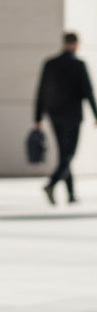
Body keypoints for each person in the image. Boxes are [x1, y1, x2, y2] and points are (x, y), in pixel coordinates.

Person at [34, 31, 97, 204]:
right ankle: (52, 183)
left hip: (55, 115)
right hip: (73, 116)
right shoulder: (78, 65)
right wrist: (96, 114)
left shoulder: (50, 64)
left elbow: (41, 92)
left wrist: (37, 118)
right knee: (68, 154)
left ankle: (71, 194)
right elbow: (88, 92)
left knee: (64, 154)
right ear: (76, 44)